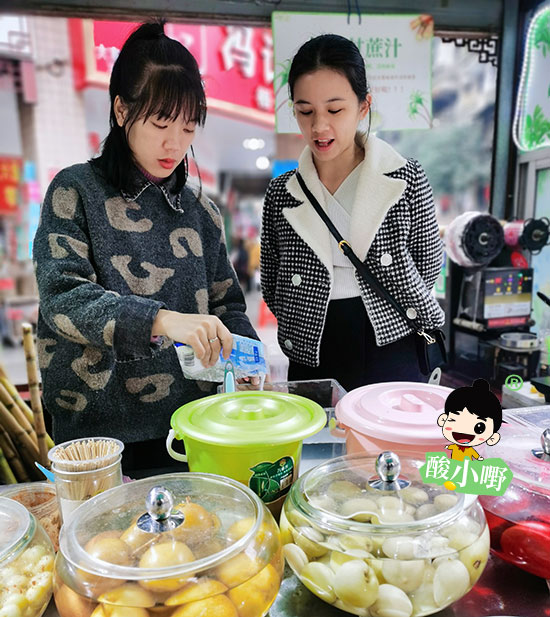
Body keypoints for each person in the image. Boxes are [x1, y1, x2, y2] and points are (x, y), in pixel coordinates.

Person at [33, 21, 258, 472]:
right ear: (120, 109)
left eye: (189, 126)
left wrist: (246, 355)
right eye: (160, 122)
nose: (175, 143)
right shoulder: (75, 190)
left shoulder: (201, 211)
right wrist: (161, 319)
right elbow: (63, 297)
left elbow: (227, 304)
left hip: (189, 424)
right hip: (95, 432)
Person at [260, 34, 444, 392]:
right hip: (312, 342)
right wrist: (305, 312)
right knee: (318, 444)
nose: (319, 127)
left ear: (363, 106)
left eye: (335, 109)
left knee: (390, 445)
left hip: (393, 338)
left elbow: (428, 265)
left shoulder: (405, 177)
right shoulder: (281, 192)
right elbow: (272, 281)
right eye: (305, 110)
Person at [438, 379, 502, 462]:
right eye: (455, 421)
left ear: (493, 437)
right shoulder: (454, 446)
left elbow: (475, 455)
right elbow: (449, 447)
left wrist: (479, 458)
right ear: (443, 420)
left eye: (479, 428)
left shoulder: (472, 449)